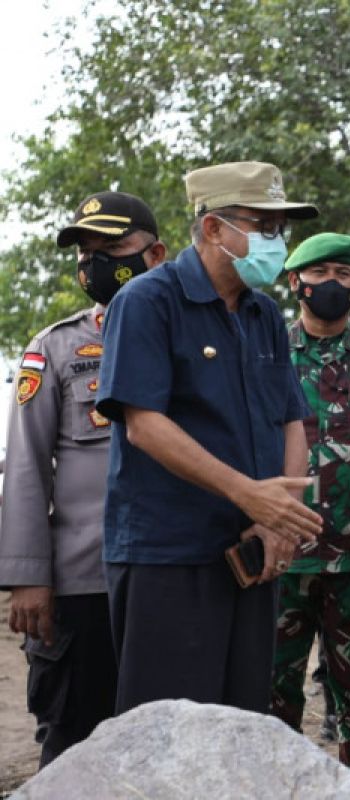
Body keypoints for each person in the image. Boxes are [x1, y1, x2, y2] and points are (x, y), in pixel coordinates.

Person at [96, 161, 323, 714]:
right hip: (168, 559)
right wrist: (248, 494)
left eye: (279, 227)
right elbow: (144, 425)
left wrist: (279, 518)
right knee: (167, 734)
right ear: (215, 227)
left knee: (241, 723)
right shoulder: (148, 302)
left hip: (252, 558)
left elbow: (291, 417)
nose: (276, 240)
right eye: (262, 224)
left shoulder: (263, 313)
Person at [0, 192, 166, 766]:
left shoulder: (195, 341)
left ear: (157, 254)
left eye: (112, 248)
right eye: (86, 252)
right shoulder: (56, 349)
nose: (94, 263)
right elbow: (25, 469)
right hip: (84, 585)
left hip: (176, 578)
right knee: (75, 745)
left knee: (169, 743)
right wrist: (27, 577)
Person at [266, 232, 350, 786]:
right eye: (319, 274)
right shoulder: (267, 348)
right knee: (269, 701)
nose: (332, 285)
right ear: (295, 282)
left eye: (343, 275)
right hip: (280, 558)